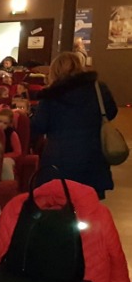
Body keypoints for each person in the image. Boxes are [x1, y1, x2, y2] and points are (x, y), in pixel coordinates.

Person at [32, 52, 117, 199]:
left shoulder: (51, 95)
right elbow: (111, 112)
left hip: (59, 157)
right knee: (89, 202)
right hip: (93, 155)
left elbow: (39, 125)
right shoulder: (98, 88)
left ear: (54, 71)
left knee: (61, 201)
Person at [0, 108, 22, 181]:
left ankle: (7, 185)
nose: (1, 125)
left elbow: (17, 152)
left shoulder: (12, 134)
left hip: (7, 157)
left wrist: (2, 156)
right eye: (0, 121)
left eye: (5, 123)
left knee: (5, 163)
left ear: (9, 124)